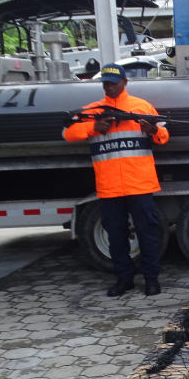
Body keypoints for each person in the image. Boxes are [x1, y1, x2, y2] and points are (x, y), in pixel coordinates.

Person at [63, 63, 168, 297]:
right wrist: (93, 127)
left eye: (114, 82)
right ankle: (124, 279)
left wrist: (153, 130)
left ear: (124, 82)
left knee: (148, 233)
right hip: (109, 186)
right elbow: (67, 133)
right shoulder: (93, 109)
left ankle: (151, 279)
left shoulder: (141, 107)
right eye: (106, 83)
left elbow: (164, 136)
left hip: (140, 183)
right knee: (116, 236)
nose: (109, 87)